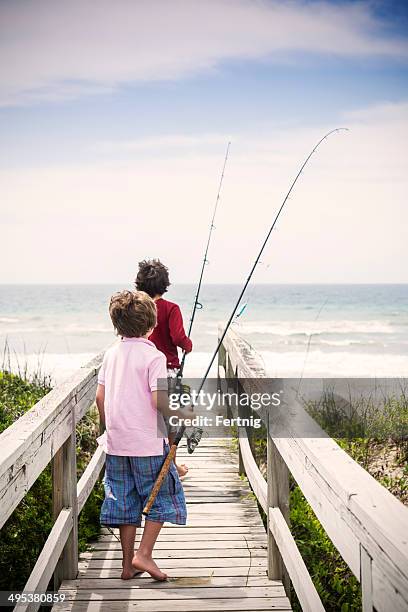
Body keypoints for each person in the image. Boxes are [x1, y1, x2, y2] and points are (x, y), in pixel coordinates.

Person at [95, 290, 189, 581]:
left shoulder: (111, 354)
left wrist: (110, 426)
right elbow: (158, 401)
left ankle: (126, 566)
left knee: (124, 501)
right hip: (148, 443)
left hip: (116, 443)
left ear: (116, 324)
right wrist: (182, 416)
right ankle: (144, 554)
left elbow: (100, 398)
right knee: (163, 495)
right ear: (151, 325)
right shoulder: (154, 356)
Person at [135, 259, 192, 477]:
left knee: (146, 417)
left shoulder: (137, 309)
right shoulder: (171, 308)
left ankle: (148, 464)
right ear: (164, 284)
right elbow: (178, 337)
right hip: (167, 370)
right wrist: (188, 345)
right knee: (170, 420)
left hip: (140, 369)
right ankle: (171, 466)